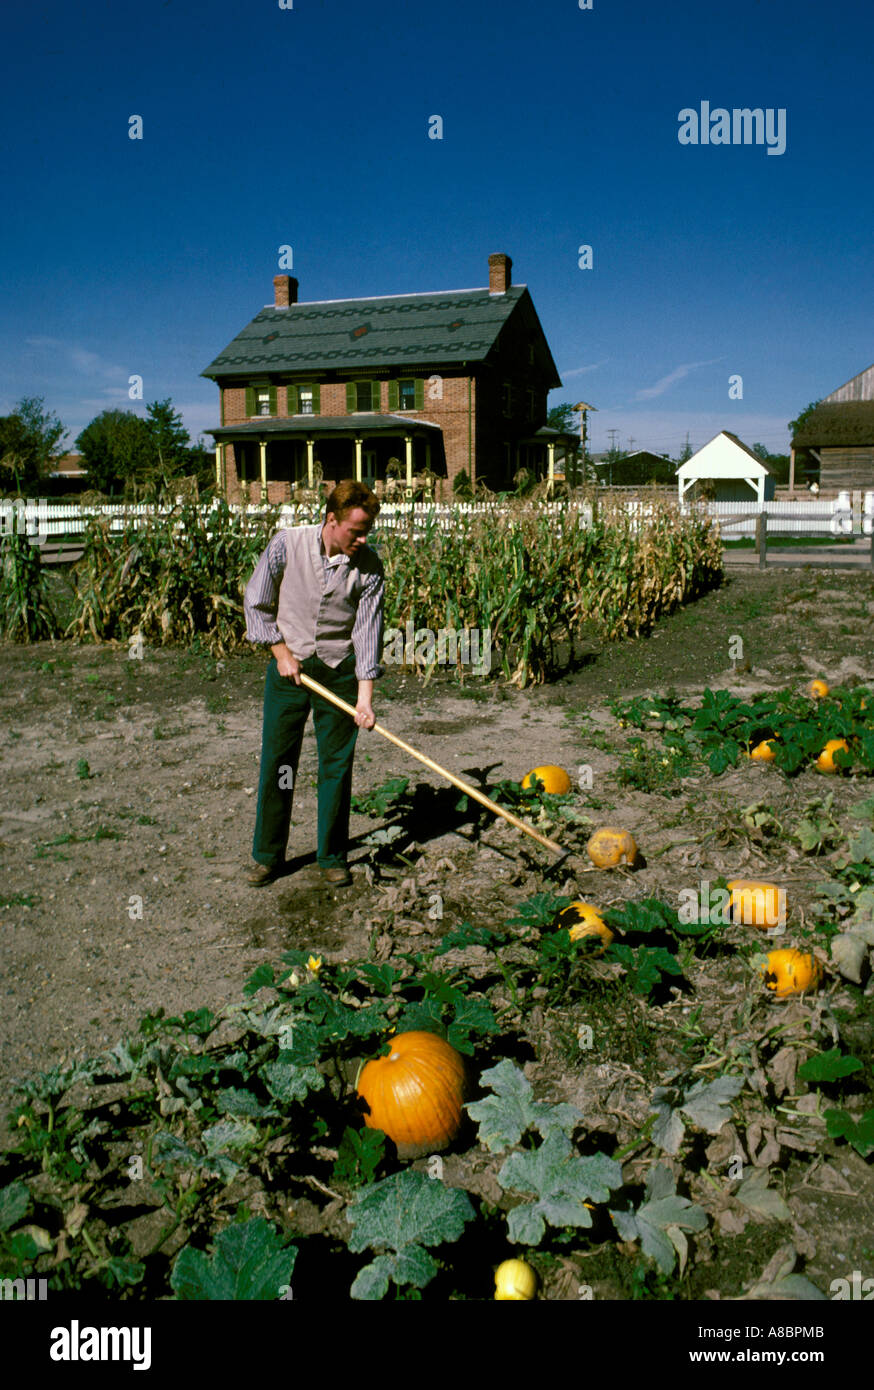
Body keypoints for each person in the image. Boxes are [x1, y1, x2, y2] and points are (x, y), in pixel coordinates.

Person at [243, 479, 384, 887]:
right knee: (280, 762)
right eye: (355, 531)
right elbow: (257, 602)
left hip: (338, 672)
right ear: (331, 520)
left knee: (335, 766)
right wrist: (281, 653)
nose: (361, 539)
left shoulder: (369, 568)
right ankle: (269, 855)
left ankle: (332, 856)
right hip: (289, 669)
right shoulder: (287, 545)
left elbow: (367, 635)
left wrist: (365, 700)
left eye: (366, 532)